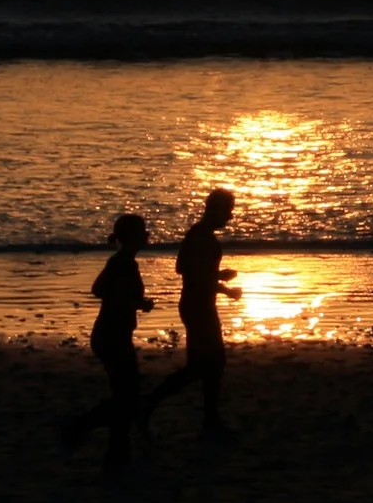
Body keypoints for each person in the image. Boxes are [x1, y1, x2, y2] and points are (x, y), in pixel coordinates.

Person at [59, 212, 154, 474]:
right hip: (112, 336)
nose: (147, 235)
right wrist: (136, 303)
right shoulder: (122, 263)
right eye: (142, 231)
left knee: (125, 394)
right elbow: (101, 291)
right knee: (127, 396)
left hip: (113, 335)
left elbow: (103, 291)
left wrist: (134, 303)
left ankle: (116, 451)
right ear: (131, 237)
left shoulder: (123, 261)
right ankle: (81, 428)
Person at [144, 188, 242, 437]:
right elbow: (196, 277)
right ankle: (151, 405)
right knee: (207, 365)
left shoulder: (196, 234)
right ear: (215, 209)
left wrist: (216, 276)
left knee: (206, 365)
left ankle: (208, 419)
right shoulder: (204, 239)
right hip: (199, 307)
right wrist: (225, 289)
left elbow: (184, 269)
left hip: (194, 304)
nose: (229, 217)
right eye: (227, 211)